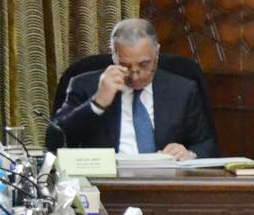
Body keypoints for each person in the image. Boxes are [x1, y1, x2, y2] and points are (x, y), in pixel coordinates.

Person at [52, 19, 217, 160]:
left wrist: (189, 153)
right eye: (125, 66)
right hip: (106, 181)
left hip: (164, 180)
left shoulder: (182, 89)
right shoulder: (85, 85)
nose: (135, 75)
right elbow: (54, 141)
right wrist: (97, 103)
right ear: (114, 56)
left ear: (157, 53)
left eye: (144, 65)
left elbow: (207, 144)